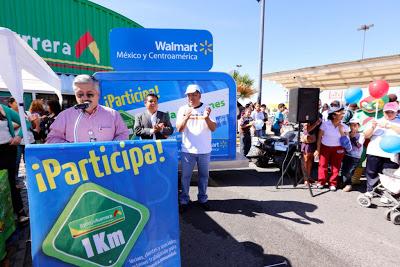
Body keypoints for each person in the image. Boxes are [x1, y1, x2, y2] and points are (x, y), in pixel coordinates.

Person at [46, 75, 129, 143]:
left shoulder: (113, 115)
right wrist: (70, 148)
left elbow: (123, 134)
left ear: (98, 94)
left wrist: (111, 148)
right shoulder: (64, 116)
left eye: (89, 94)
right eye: (80, 95)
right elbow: (52, 139)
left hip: (105, 160)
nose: (85, 98)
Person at [176, 84, 217, 213]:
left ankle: (203, 199)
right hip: (187, 150)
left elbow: (213, 128)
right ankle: (184, 200)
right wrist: (186, 116)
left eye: (194, 94)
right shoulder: (182, 109)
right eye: (189, 95)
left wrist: (206, 118)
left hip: (204, 150)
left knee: (204, 176)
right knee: (185, 177)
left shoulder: (208, 109)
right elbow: (179, 129)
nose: (191, 97)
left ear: (200, 95)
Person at [363, 102, 400, 198]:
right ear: (383, 112)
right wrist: (372, 127)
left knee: (389, 175)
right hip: (374, 151)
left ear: (396, 112)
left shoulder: (398, 122)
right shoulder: (376, 120)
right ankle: (370, 190)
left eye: (392, 112)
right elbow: (366, 135)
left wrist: (389, 125)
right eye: (387, 111)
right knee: (372, 172)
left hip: (391, 154)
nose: (389, 113)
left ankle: (387, 194)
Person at [0, 104, 29, 224]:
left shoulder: (3, 109)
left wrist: (18, 136)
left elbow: (26, 122)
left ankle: (20, 213)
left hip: (8, 150)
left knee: (11, 182)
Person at [314, 106, 349, 191]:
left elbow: (346, 140)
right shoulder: (325, 124)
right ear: (334, 115)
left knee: (336, 166)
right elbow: (319, 137)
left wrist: (341, 130)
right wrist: (318, 149)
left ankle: (333, 183)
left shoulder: (344, 126)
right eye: (341, 113)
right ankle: (321, 182)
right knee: (322, 165)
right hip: (325, 147)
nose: (343, 115)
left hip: (338, 148)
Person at [340, 118, 364, 192]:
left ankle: (349, 184)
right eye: (351, 125)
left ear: (358, 126)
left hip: (355, 157)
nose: (353, 126)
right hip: (346, 154)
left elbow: (359, 145)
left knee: (350, 171)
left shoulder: (361, 135)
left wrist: (353, 137)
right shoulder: (347, 133)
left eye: (355, 125)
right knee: (343, 170)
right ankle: (344, 182)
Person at [300, 117, 322, 185]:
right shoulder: (308, 116)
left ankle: (308, 177)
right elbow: (307, 130)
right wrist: (316, 123)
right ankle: (305, 179)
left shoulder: (318, 115)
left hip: (314, 141)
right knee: (306, 160)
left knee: (310, 161)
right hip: (308, 141)